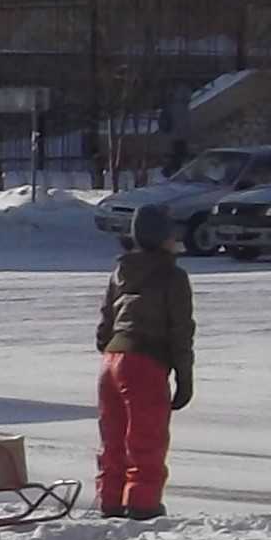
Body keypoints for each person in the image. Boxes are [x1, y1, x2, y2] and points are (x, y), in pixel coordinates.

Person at [94, 202, 195, 521]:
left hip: (111, 362)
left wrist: (113, 348)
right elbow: (181, 330)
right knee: (146, 439)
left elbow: (104, 325)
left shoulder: (120, 272)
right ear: (163, 236)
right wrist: (184, 376)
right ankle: (142, 503)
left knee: (113, 439)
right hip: (144, 363)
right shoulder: (173, 277)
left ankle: (110, 500)